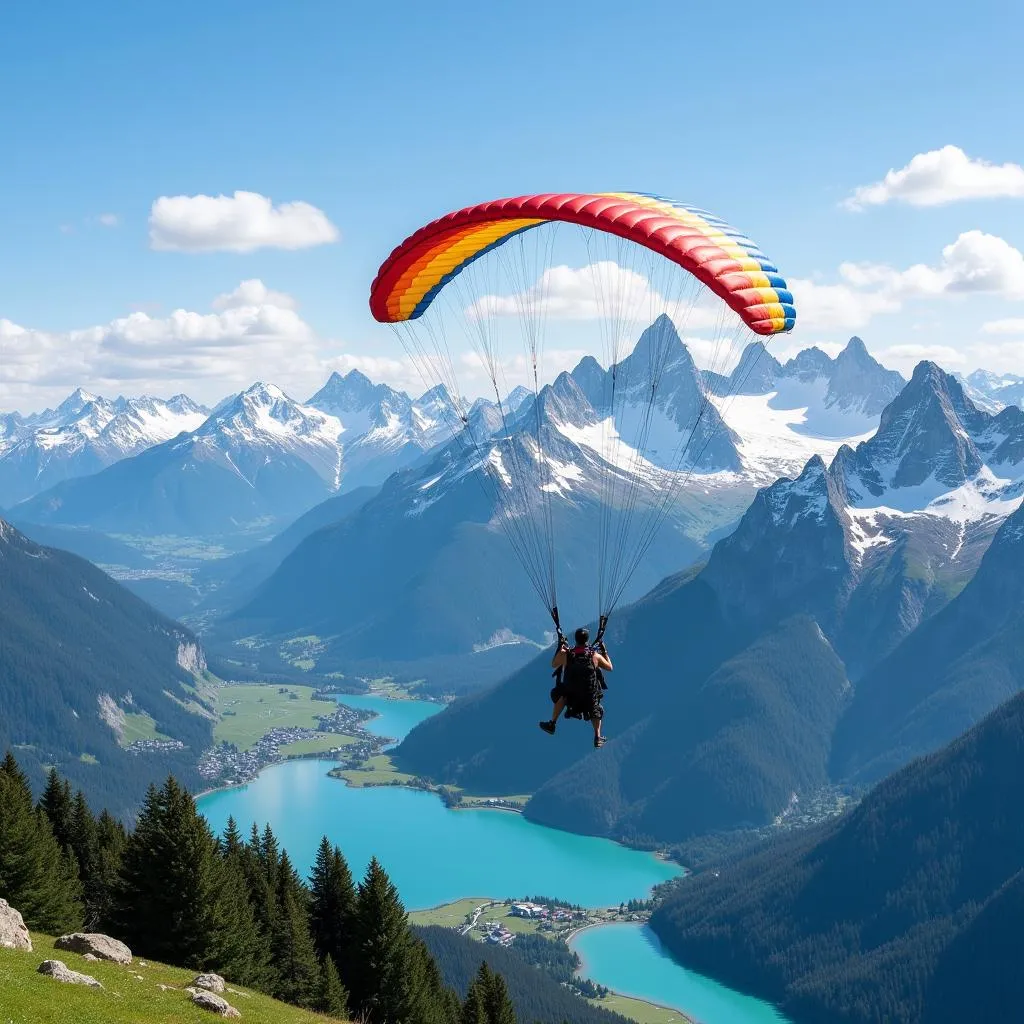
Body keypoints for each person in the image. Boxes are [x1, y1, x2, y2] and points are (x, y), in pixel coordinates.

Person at [539, 627, 612, 747]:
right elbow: (609, 667)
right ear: (587, 640)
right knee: (595, 705)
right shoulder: (595, 655)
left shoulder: (567, 654)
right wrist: (604, 652)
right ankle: (597, 736)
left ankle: (552, 723)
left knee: (562, 695)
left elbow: (553, 664)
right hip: (589, 696)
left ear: (576, 639)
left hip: (571, 696)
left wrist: (560, 648)